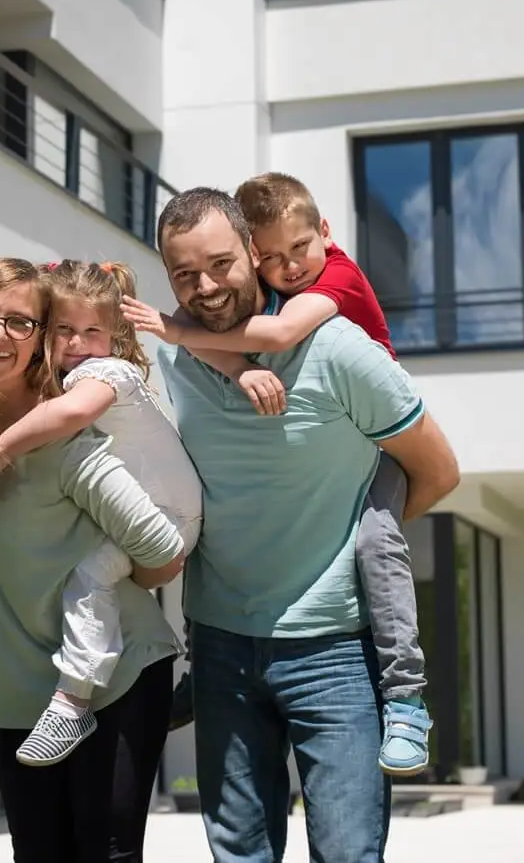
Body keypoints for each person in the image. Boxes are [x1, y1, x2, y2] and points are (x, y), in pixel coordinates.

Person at [149, 189, 459, 863]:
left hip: (335, 650)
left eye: (221, 264)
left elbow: (437, 471)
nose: (204, 287)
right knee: (240, 854)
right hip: (221, 646)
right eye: (183, 274)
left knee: (347, 855)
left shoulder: (340, 349)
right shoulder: (174, 354)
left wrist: (358, 543)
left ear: (253, 255)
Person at [0, 257, 186, 861]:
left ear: (40, 339)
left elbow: (161, 552)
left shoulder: (64, 436)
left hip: (114, 678)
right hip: (20, 687)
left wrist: (104, 576)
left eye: (20, 323)